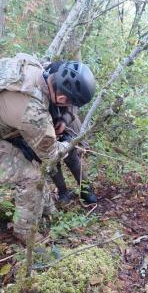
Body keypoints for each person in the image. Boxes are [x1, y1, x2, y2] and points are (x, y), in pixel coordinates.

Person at [0, 54, 96, 244]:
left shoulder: (34, 67)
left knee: (31, 158)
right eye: (69, 103)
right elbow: (51, 156)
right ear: (61, 98)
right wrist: (70, 143)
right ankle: (25, 232)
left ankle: (46, 208)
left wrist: (63, 119)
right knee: (31, 176)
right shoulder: (33, 112)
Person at [44, 61, 97, 205]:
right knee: (52, 162)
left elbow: (73, 105)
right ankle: (63, 192)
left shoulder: (66, 81)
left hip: (61, 125)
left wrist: (64, 121)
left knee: (72, 156)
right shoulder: (38, 92)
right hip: (42, 129)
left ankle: (86, 189)